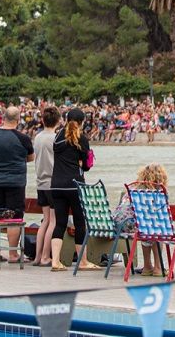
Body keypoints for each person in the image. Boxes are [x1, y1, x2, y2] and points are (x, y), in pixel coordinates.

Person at [49, 108, 99, 271]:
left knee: (60, 223)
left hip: (56, 185)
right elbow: (86, 166)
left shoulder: (57, 137)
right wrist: (81, 162)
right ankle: (83, 262)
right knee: (79, 223)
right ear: (82, 122)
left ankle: (55, 261)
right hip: (75, 185)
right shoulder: (82, 139)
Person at [0, 105, 34, 263]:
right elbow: (31, 158)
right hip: (15, 181)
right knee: (15, 217)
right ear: (18, 119)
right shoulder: (23, 138)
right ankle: (13, 254)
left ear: (4, 117)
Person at [121, 163, 168, 276]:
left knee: (146, 226)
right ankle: (158, 267)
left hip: (121, 226)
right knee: (155, 226)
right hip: (139, 226)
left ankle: (147, 267)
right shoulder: (158, 193)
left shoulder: (133, 188)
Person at [32, 105, 60, 267]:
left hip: (40, 182)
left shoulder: (38, 137)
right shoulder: (55, 138)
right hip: (53, 182)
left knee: (45, 221)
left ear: (42, 120)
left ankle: (37, 256)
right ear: (58, 120)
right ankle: (45, 256)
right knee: (53, 221)